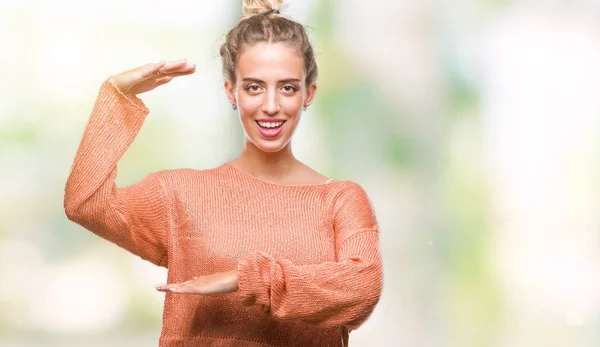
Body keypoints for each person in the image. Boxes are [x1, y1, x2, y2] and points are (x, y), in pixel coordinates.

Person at [63, 0, 383, 346]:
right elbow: (85, 204)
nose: (271, 105)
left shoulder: (340, 199)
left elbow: (362, 287)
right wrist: (117, 95)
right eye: (254, 87)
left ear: (309, 93)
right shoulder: (180, 193)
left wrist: (247, 279)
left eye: (288, 87)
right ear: (231, 91)